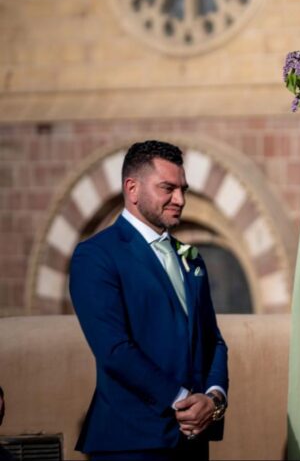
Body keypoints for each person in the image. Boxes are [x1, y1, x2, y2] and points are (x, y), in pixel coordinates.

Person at [69, 140, 228, 461]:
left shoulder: (192, 258)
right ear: (132, 188)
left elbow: (214, 341)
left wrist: (212, 400)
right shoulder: (97, 255)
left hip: (193, 442)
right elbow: (114, 350)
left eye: (183, 188)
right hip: (131, 441)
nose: (180, 199)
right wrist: (183, 400)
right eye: (167, 188)